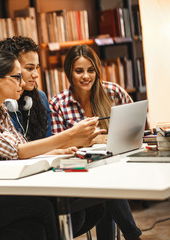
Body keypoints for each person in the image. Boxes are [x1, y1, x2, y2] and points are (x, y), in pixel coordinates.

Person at [0, 50, 104, 239]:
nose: (22, 84)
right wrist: (70, 134)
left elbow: (21, 147)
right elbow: (18, 151)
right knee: (43, 207)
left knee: (77, 208)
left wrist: (59, 150)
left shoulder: (1, 113)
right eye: (17, 77)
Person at [49, 44, 142, 240]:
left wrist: (87, 140)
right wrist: (98, 139)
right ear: (69, 73)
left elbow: (136, 129)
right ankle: (133, 235)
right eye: (79, 71)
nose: (86, 76)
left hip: (117, 166)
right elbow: (61, 145)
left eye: (91, 70)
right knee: (104, 182)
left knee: (106, 180)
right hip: (78, 172)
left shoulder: (113, 92)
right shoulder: (58, 104)